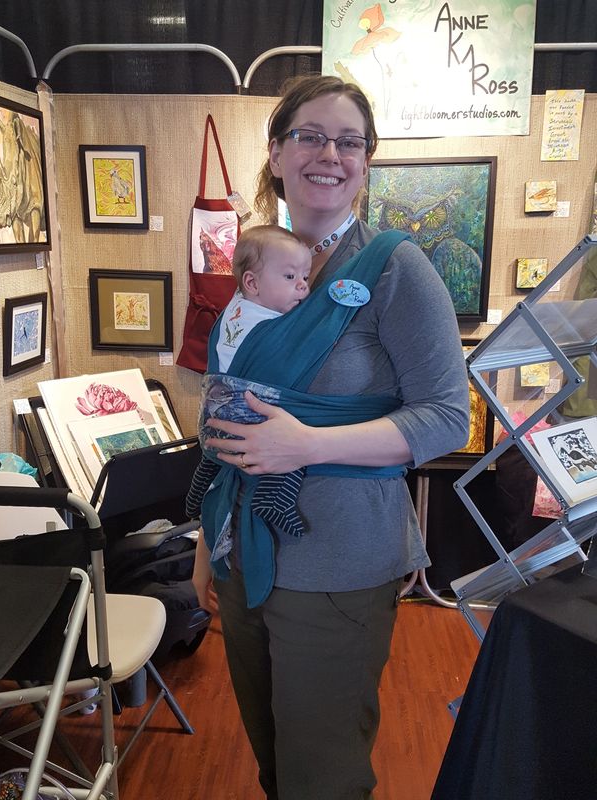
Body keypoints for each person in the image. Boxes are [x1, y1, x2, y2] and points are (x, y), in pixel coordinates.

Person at [191, 74, 469, 800]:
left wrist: (308, 444)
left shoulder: (395, 270)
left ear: (366, 161)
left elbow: (446, 416)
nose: (330, 153)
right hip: (240, 548)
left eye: (350, 141)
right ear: (277, 152)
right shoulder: (257, 269)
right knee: (274, 759)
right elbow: (230, 413)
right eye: (310, 135)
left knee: (323, 773)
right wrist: (203, 540)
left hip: (339, 557)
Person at [186, 224, 311, 535]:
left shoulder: (234, 309)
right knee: (294, 446)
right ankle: (275, 500)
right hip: (249, 414)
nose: (303, 287)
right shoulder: (273, 321)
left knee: (213, 455)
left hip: (215, 412)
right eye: (290, 277)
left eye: (306, 278)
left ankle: (194, 498)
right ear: (252, 282)